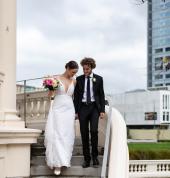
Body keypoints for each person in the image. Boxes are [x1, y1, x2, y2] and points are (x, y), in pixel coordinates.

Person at [44, 61, 78, 175]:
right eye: (73, 72)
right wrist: (51, 88)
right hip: (58, 108)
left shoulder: (74, 81)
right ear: (67, 68)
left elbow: (75, 97)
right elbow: (49, 96)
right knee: (57, 133)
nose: (73, 74)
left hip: (69, 109)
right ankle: (57, 164)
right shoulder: (56, 79)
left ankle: (65, 160)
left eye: (75, 73)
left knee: (67, 134)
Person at [74, 57, 105, 168]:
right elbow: (76, 96)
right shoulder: (79, 79)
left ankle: (95, 157)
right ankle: (86, 159)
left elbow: (101, 95)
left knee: (94, 131)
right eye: (84, 69)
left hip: (94, 108)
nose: (85, 71)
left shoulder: (99, 79)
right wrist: (76, 111)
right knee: (84, 133)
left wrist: (102, 110)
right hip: (82, 108)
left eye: (87, 69)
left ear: (91, 67)